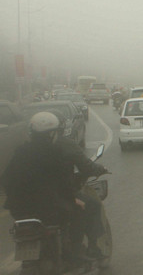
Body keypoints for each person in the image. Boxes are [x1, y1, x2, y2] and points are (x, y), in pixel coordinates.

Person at [0, 111, 108, 262]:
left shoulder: (21, 152)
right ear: (53, 133)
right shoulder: (56, 152)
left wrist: (15, 199)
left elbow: (7, 179)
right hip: (50, 207)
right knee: (86, 207)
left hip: (19, 210)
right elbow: (63, 183)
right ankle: (77, 251)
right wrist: (73, 199)